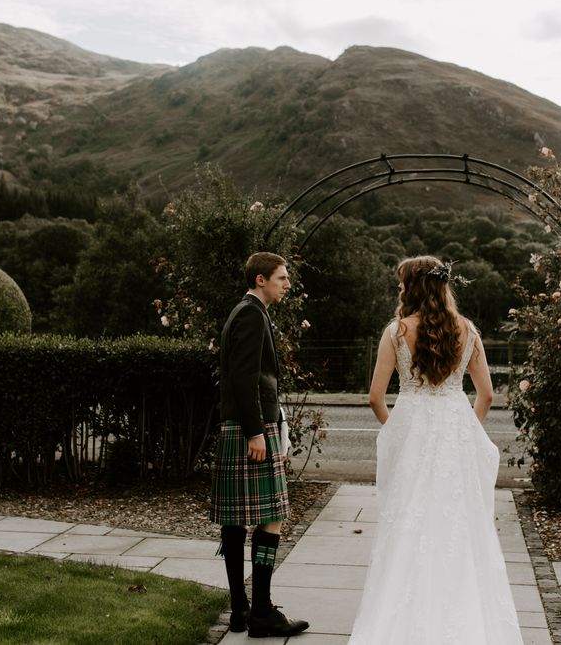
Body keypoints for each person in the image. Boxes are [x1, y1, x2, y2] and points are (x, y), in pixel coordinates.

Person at [347, 256, 524, 644]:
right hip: (454, 431)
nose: (398, 289)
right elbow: (487, 394)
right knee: (460, 527)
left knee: (408, 524)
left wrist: (398, 431)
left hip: (413, 433)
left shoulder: (396, 332)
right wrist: (463, 431)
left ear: (411, 286)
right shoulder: (469, 330)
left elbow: (376, 397)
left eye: (400, 282)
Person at [210, 251, 310, 639]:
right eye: (282, 278)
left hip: (239, 425)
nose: (287, 285)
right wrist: (256, 432)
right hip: (251, 427)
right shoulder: (251, 314)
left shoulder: (245, 311)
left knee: (235, 521)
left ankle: (241, 610)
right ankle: (263, 611)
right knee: (272, 517)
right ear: (260, 280)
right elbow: (244, 377)